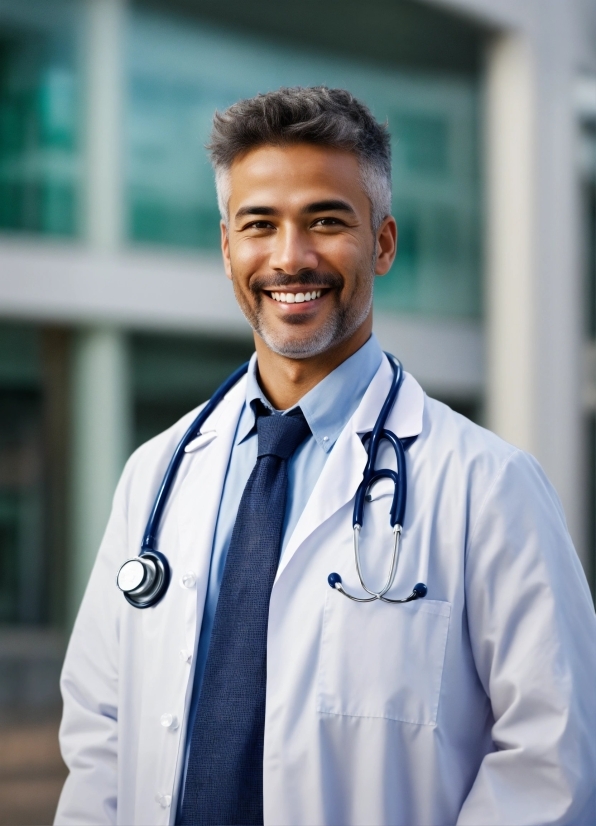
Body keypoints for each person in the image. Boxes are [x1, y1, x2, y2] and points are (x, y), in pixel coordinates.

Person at [55, 87, 596, 826]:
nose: (290, 257)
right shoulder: (156, 473)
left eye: (326, 221)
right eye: (259, 225)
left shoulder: (489, 485)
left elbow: (551, 763)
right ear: (226, 247)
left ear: (383, 242)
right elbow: (99, 733)